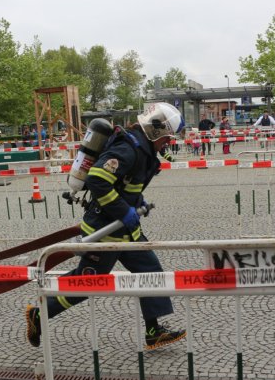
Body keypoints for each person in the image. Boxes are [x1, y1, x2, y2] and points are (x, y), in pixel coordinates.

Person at [25, 102, 187, 351]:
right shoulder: (128, 148)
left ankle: (153, 331)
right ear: (155, 130)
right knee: (87, 281)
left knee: (150, 273)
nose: (168, 143)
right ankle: (39, 314)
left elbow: (126, 182)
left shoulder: (140, 148)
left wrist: (136, 200)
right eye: (166, 138)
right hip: (105, 232)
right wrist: (124, 210)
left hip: (126, 231)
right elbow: (98, 180)